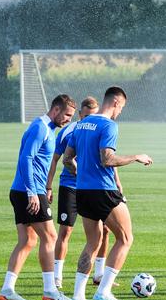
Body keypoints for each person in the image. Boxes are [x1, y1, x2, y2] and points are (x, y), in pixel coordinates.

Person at [63, 86, 153, 300]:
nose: (120, 112)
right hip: (103, 190)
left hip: (82, 191)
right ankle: (103, 291)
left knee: (92, 243)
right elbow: (107, 159)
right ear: (115, 103)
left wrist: (82, 173)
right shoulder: (109, 125)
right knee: (125, 238)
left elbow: (67, 159)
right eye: (121, 108)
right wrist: (136, 157)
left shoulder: (81, 124)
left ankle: (78, 297)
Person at [0, 94, 76, 300]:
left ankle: (7, 290)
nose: (69, 119)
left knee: (28, 240)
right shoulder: (40, 127)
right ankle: (51, 290)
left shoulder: (48, 128)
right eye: (67, 115)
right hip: (28, 192)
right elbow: (26, 158)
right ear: (56, 109)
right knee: (50, 236)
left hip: (24, 190)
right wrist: (33, 192)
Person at [45, 96, 121, 289]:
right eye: (86, 115)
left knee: (105, 231)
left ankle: (99, 274)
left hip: (93, 187)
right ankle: (57, 277)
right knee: (66, 230)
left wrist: (117, 182)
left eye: (92, 115)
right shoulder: (71, 130)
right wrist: (49, 186)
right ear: (80, 114)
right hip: (71, 186)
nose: (89, 118)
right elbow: (57, 159)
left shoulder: (100, 126)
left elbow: (108, 157)